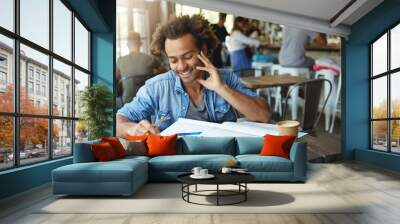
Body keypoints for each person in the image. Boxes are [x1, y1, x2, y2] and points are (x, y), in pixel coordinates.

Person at [116, 15, 271, 136]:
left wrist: (222, 88)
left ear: (203, 49)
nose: (182, 66)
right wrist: (132, 129)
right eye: (173, 60)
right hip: (175, 162)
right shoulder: (157, 87)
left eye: (188, 56)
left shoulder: (227, 79)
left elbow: (264, 115)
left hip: (223, 161)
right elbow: (119, 120)